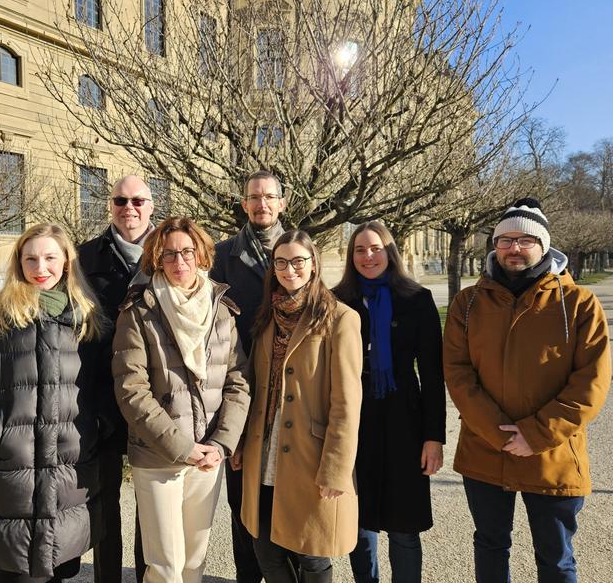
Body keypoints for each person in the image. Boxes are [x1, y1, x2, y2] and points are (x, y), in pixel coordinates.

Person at [443, 198, 611, 583]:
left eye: (525, 239)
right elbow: (457, 371)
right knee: (490, 547)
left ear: (544, 246)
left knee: (556, 559)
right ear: (494, 245)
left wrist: (534, 435)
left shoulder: (579, 304)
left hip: (552, 455)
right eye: (505, 239)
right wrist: (498, 432)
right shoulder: (468, 303)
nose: (514, 248)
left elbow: (592, 381)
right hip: (486, 450)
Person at [0, 223, 107, 583]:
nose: (40, 268)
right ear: (18, 263)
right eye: (31, 258)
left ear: (66, 262)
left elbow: (105, 386)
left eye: (50, 258)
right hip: (12, 473)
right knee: (16, 571)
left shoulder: (89, 320)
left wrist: (96, 430)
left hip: (68, 470)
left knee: (60, 567)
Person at [112, 216, 251, 583]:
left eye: (187, 252)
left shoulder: (221, 309)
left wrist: (222, 444)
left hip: (208, 455)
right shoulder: (139, 311)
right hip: (159, 455)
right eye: (169, 254)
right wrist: (181, 447)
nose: (180, 262)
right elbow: (131, 389)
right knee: (165, 565)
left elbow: (238, 382)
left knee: (194, 562)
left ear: (202, 255)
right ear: (157, 259)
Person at [238, 229, 363, 583]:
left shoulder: (340, 318)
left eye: (297, 261)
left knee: (312, 550)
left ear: (313, 265)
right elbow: (252, 387)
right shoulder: (266, 317)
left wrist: (337, 467)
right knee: (265, 545)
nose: (289, 269)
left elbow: (347, 402)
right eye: (281, 262)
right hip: (263, 448)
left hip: (312, 453)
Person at [332, 221, 446, 583]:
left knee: (403, 524)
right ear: (351, 257)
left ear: (390, 252)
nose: (368, 256)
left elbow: (432, 375)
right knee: (359, 518)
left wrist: (434, 437)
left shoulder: (416, 299)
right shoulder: (337, 301)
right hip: (355, 419)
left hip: (404, 420)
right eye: (360, 250)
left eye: (376, 248)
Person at [77, 174, 154, 583]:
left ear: (151, 205)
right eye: (121, 200)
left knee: (151, 503)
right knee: (103, 502)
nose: (130, 208)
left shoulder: (171, 252)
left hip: (153, 400)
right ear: (111, 205)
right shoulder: (85, 257)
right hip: (102, 397)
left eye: (138, 200)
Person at [210, 170, 286, 583]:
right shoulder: (223, 255)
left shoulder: (297, 248)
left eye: (269, 196)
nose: (262, 204)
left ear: (281, 203)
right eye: (254, 197)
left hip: (288, 391)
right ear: (244, 203)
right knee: (241, 498)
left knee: (284, 493)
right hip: (238, 390)